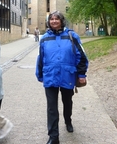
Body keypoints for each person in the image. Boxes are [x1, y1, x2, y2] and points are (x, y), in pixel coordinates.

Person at [36, 11, 89, 144]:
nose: (54, 21)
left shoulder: (72, 36)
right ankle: (54, 137)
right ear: (49, 22)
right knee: (51, 107)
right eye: (51, 19)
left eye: (56, 19)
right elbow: (41, 57)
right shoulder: (44, 38)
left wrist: (81, 74)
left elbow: (81, 56)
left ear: (61, 21)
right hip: (50, 75)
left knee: (67, 101)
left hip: (68, 75)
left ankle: (68, 120)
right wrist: (40, 74)